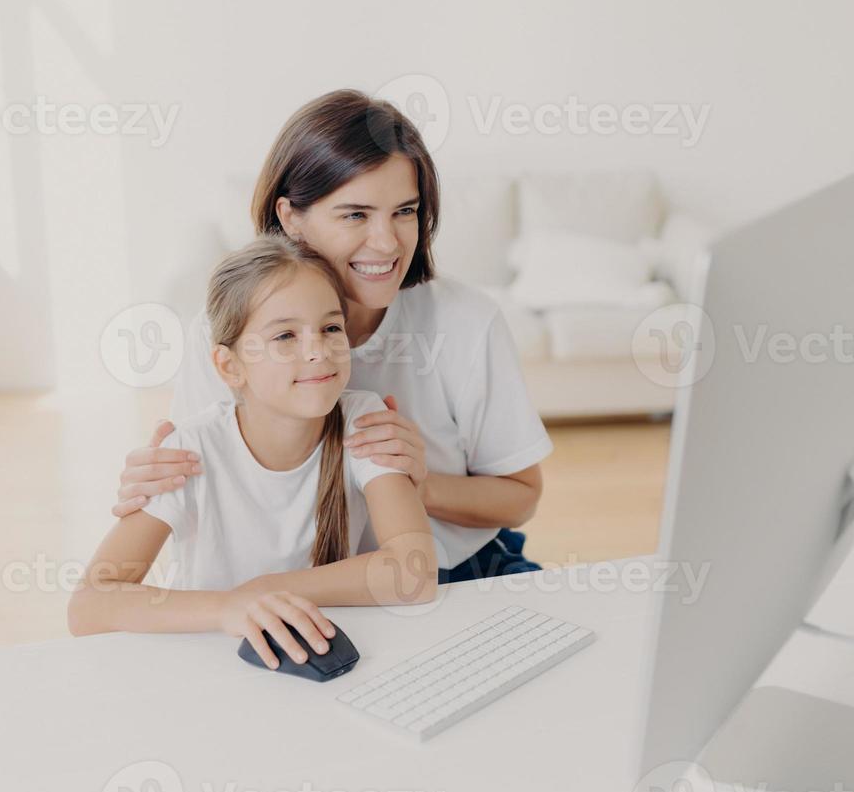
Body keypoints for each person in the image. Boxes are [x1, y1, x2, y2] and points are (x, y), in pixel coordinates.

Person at [111, 89, 553, 582]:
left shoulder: (465, 321)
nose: (387, 243)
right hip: (297, 584)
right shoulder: (228, 334)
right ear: (290, 217)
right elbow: (204, 481)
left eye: (405, 212)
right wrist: (158, 484)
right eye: (356, 214)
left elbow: (521, 496)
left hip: (451, 568)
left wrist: (417, 485)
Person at [68, 236, 436, 668]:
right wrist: (229, 608)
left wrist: (264, 590)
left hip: (307, 653)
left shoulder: (362, 419)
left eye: (331, 328)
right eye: (285, 336)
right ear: (229, 365)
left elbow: (415, 572)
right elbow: (89, 604)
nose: (318, 351)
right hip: (206, 658)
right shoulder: (190, 449)